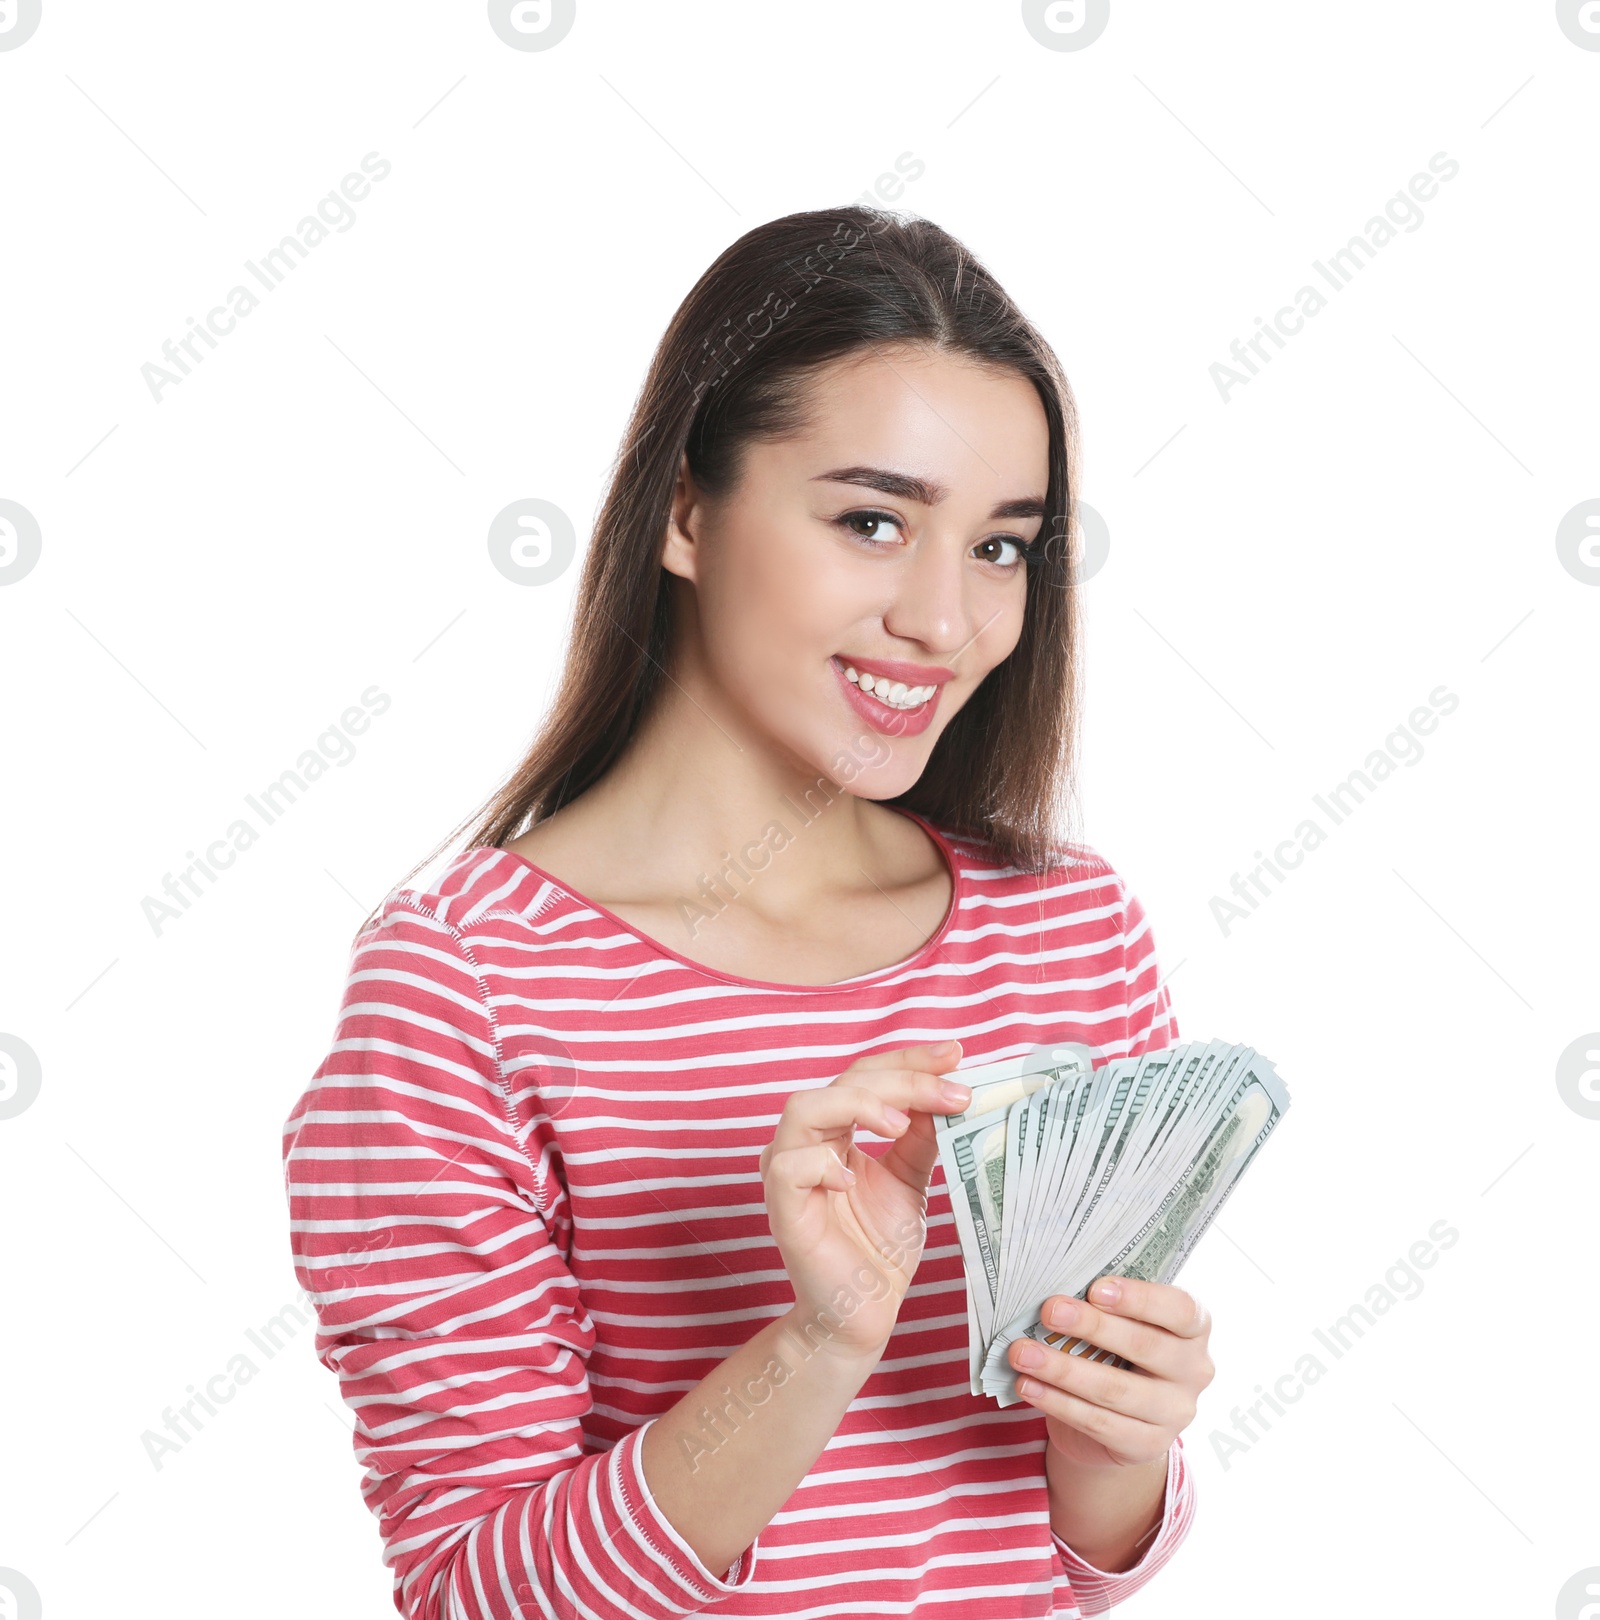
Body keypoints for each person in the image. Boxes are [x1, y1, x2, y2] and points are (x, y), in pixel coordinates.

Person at [281, 205, 1214, 1619]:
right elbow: (477, 1596)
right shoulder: (463, 987)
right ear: (684, 514)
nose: (946, 621)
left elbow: (1067, 1561)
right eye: (873, 520)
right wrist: (818, 1344)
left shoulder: (1070, 935)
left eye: (1002, 547)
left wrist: (1114, 1452)